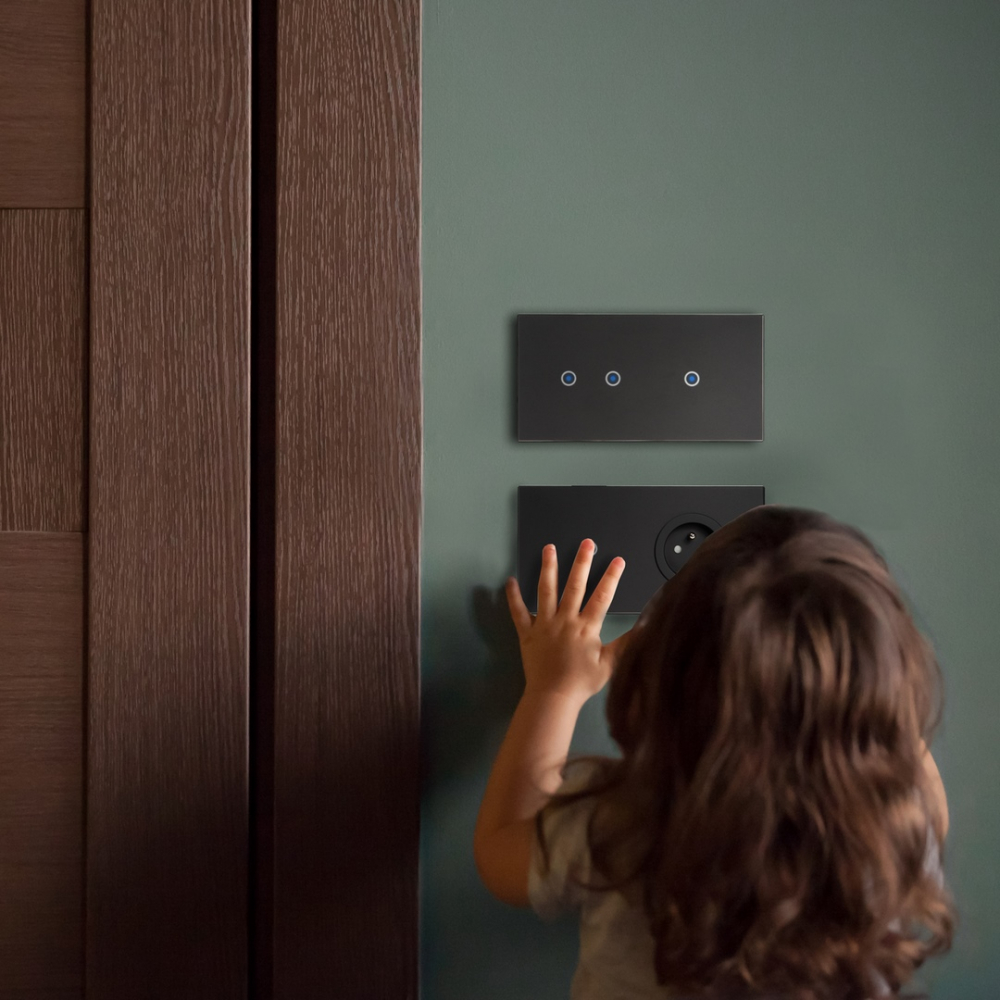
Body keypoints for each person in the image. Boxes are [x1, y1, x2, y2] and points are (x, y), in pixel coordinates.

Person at [473, 505, 954, 999]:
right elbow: (919, 789)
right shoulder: (894, 829)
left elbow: (500, 851)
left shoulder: (621, 820)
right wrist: (857, 689)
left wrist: (554, 691)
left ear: (665, 674)